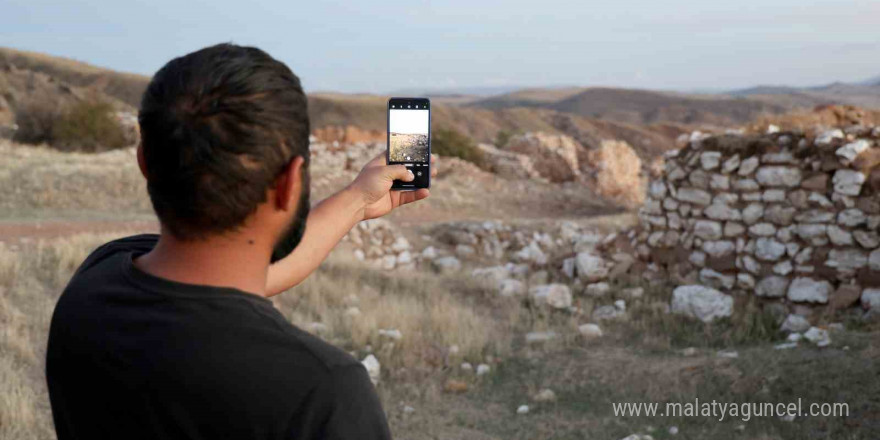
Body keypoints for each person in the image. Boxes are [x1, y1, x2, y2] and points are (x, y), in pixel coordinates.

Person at [45, 43, 434, 440]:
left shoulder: (95, 283)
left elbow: (237, 279)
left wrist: (356, 201)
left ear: (145, 161)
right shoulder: (321, 392)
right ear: (290, 183)